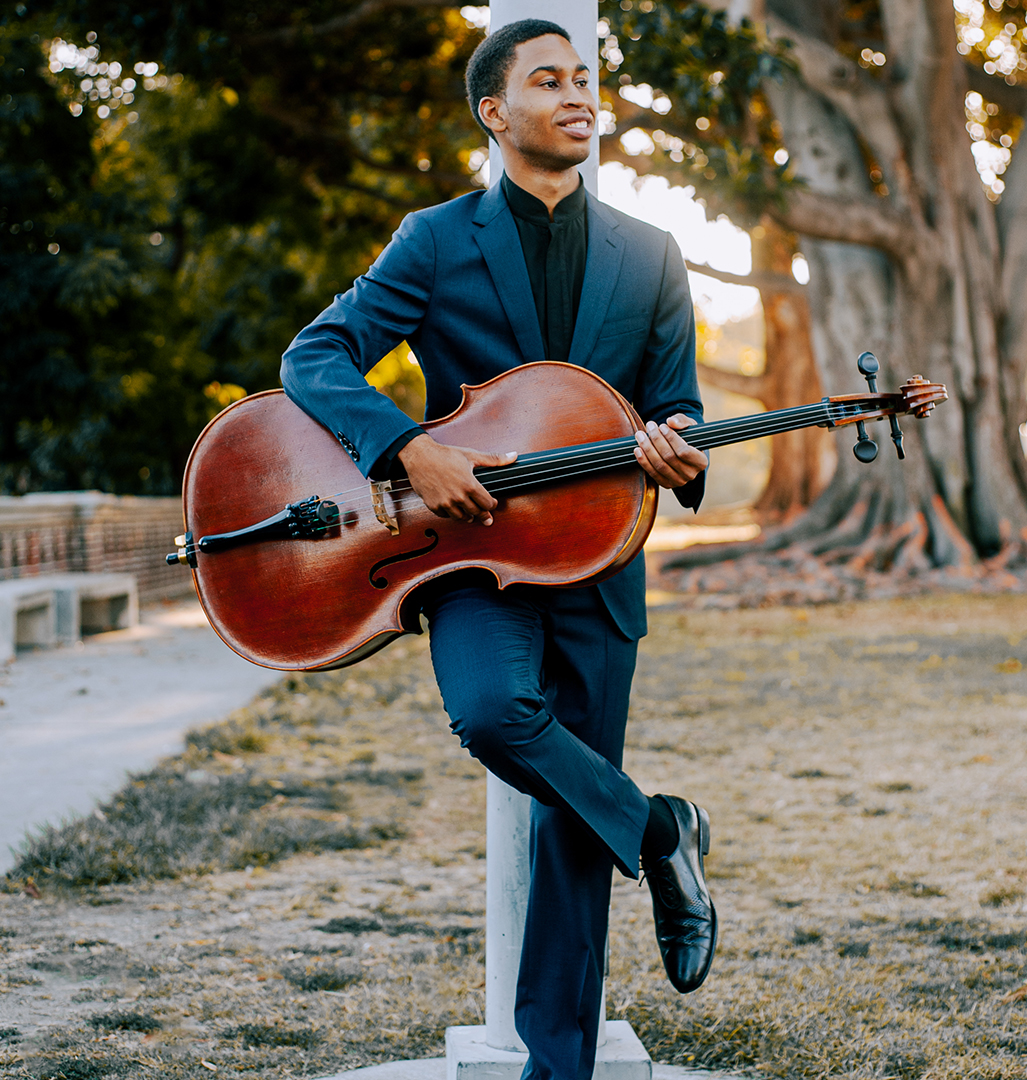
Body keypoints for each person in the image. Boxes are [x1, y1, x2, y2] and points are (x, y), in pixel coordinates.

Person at [280, 19, 716, 1080]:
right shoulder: (434, 239)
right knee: (490, 713)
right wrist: (407, 447)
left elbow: (679, 408)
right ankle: (661, 830)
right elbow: (315, 354)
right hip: (472, 557)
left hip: (603, 557)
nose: (580, 96)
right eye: (551, 81)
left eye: (587, 80)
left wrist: (677, 451)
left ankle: (555, 1070)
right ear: (494, 110)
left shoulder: (652, 253)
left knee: (569, 834)